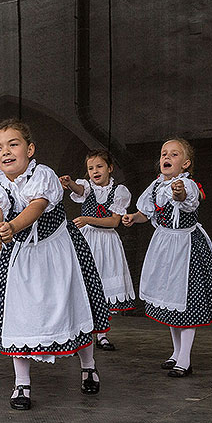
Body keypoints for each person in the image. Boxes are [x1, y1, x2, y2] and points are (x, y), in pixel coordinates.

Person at [0, 119, 109, 410]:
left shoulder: (43, 175)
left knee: (73, 305)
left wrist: (12, 225)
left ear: (30, 149)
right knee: (18, 314)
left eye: (14, 144)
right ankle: (21, 383)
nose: (6, 152)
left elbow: (36, 207)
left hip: (59, 249)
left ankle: (88, 365)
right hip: (22, 256)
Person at [122, 138, 212, 377]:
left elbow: (184, 201)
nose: (167, 157)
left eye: (174, 154)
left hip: (185, 247)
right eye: (164, 153)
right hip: (164, 246)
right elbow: (147, 213)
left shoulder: (187, 186)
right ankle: (176, 353)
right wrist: (133, 218)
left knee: (184, 302)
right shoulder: (156, 186)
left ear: (186, 164)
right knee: (170, 301)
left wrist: (178, 192)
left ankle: (185, 359)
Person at [60, 149, 136, 351]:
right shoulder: (87, 187)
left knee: (102, 285)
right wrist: (69, 183)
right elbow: (78, 189)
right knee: (84, 283)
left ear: (110, 168)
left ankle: (102, 334)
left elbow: (113, 221)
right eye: (91, 168)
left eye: (99, 166)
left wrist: (87, 220)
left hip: (107, 242)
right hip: (87, 239)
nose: (95, 171)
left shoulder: (119, 192)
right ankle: (82, 333)